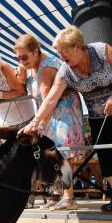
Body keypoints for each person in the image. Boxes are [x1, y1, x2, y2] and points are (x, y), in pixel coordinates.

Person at [21, 25, 112, 213]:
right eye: (59, 53)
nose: (62, 57)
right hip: (97, 114)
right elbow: (51, 99)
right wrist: (34, 122)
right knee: (104, 154)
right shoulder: (65, 71)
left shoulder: (102, 51)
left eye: (65, 52)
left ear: (78, 46)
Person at [14, 34, 85, 210]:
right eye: (18, 58)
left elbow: (48, 102)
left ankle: (69, 198)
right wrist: (22, 78)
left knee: (61, 154)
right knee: (51, 154)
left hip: (61, 112)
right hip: (49, 113)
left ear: (36, 51)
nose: (21, 61)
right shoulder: (32, 66)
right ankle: (56, 196)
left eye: (24, 57)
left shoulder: (46, 69)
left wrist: (40, 125)